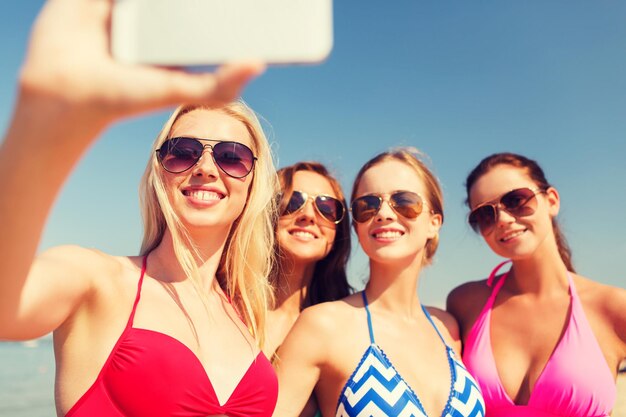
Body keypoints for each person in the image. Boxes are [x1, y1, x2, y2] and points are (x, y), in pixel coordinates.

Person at [0, 0, 278, 416]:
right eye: (182, 152)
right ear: (159, 173)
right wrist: (38, 122)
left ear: (253, 183)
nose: (205, 168)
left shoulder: (250, 315)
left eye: (231, 156)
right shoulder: (99, 281)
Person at [273, 149, 485, 417]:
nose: (384, 212)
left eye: (405, 201)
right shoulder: (322, 325)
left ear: (434, 222)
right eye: (367, 205)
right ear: (356, 227)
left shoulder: (448, 328)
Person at [447, 152, 626, 417]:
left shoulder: (612, 307)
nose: (503, 220)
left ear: (551, 201)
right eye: (485, 214)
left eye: (516, 200)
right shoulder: (465, 303)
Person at [266, 161, 352, 359]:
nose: (308, 215)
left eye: (326, 207)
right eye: (292, 202)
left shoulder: (346, 326)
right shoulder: (224, 307)